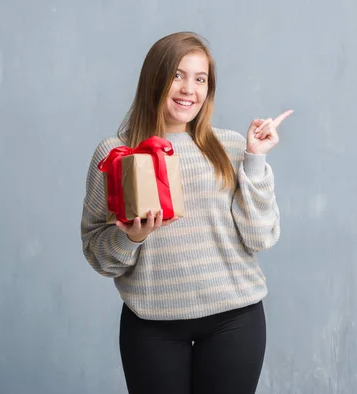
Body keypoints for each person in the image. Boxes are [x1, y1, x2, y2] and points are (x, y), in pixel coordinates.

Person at [80, 31, 292, 394]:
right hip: (152, 324)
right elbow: (98, 254)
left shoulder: (231, 146)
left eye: (200, 79)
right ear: (154, 78)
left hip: (235, 320)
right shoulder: (115, 153)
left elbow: (260, 236)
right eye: (177, 75)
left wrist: (255, 159)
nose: (188, 89)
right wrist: (131, 237)